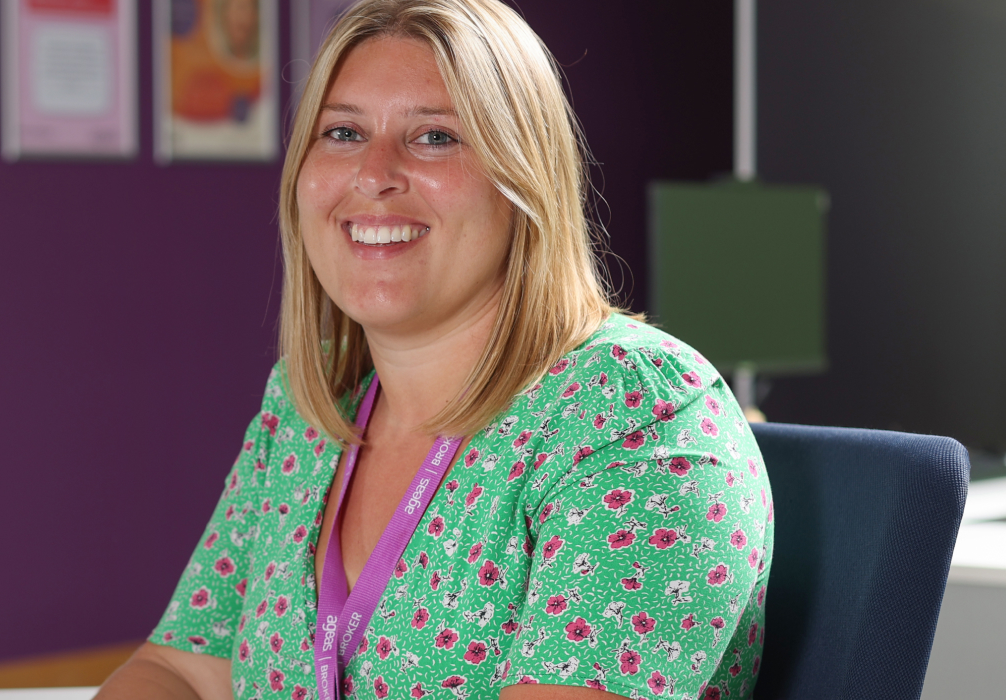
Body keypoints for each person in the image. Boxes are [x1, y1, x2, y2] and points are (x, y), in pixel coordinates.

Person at [94, 1, 773, 699]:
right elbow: (180, 669)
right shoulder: (312, 396)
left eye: (435, 137)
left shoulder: (632, 413)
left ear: (524, 177)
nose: (374, 173)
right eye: (344, 131)